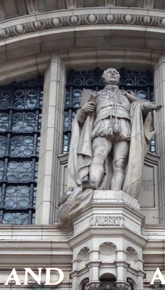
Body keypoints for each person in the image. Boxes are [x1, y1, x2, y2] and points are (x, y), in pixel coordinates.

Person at [65, 68, 160, 202]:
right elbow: (80, 120)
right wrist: (83, 110)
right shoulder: (95, 96)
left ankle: (117, 194)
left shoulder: (128, 95)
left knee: (119, 163)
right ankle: (93, 183)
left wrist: (148, 107)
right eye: (109, 72)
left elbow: (139, 107)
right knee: (98, 155)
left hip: (124, 126)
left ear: (119, 78)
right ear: (104, 78)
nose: (113, 74)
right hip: (102, 125)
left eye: (116, 72)